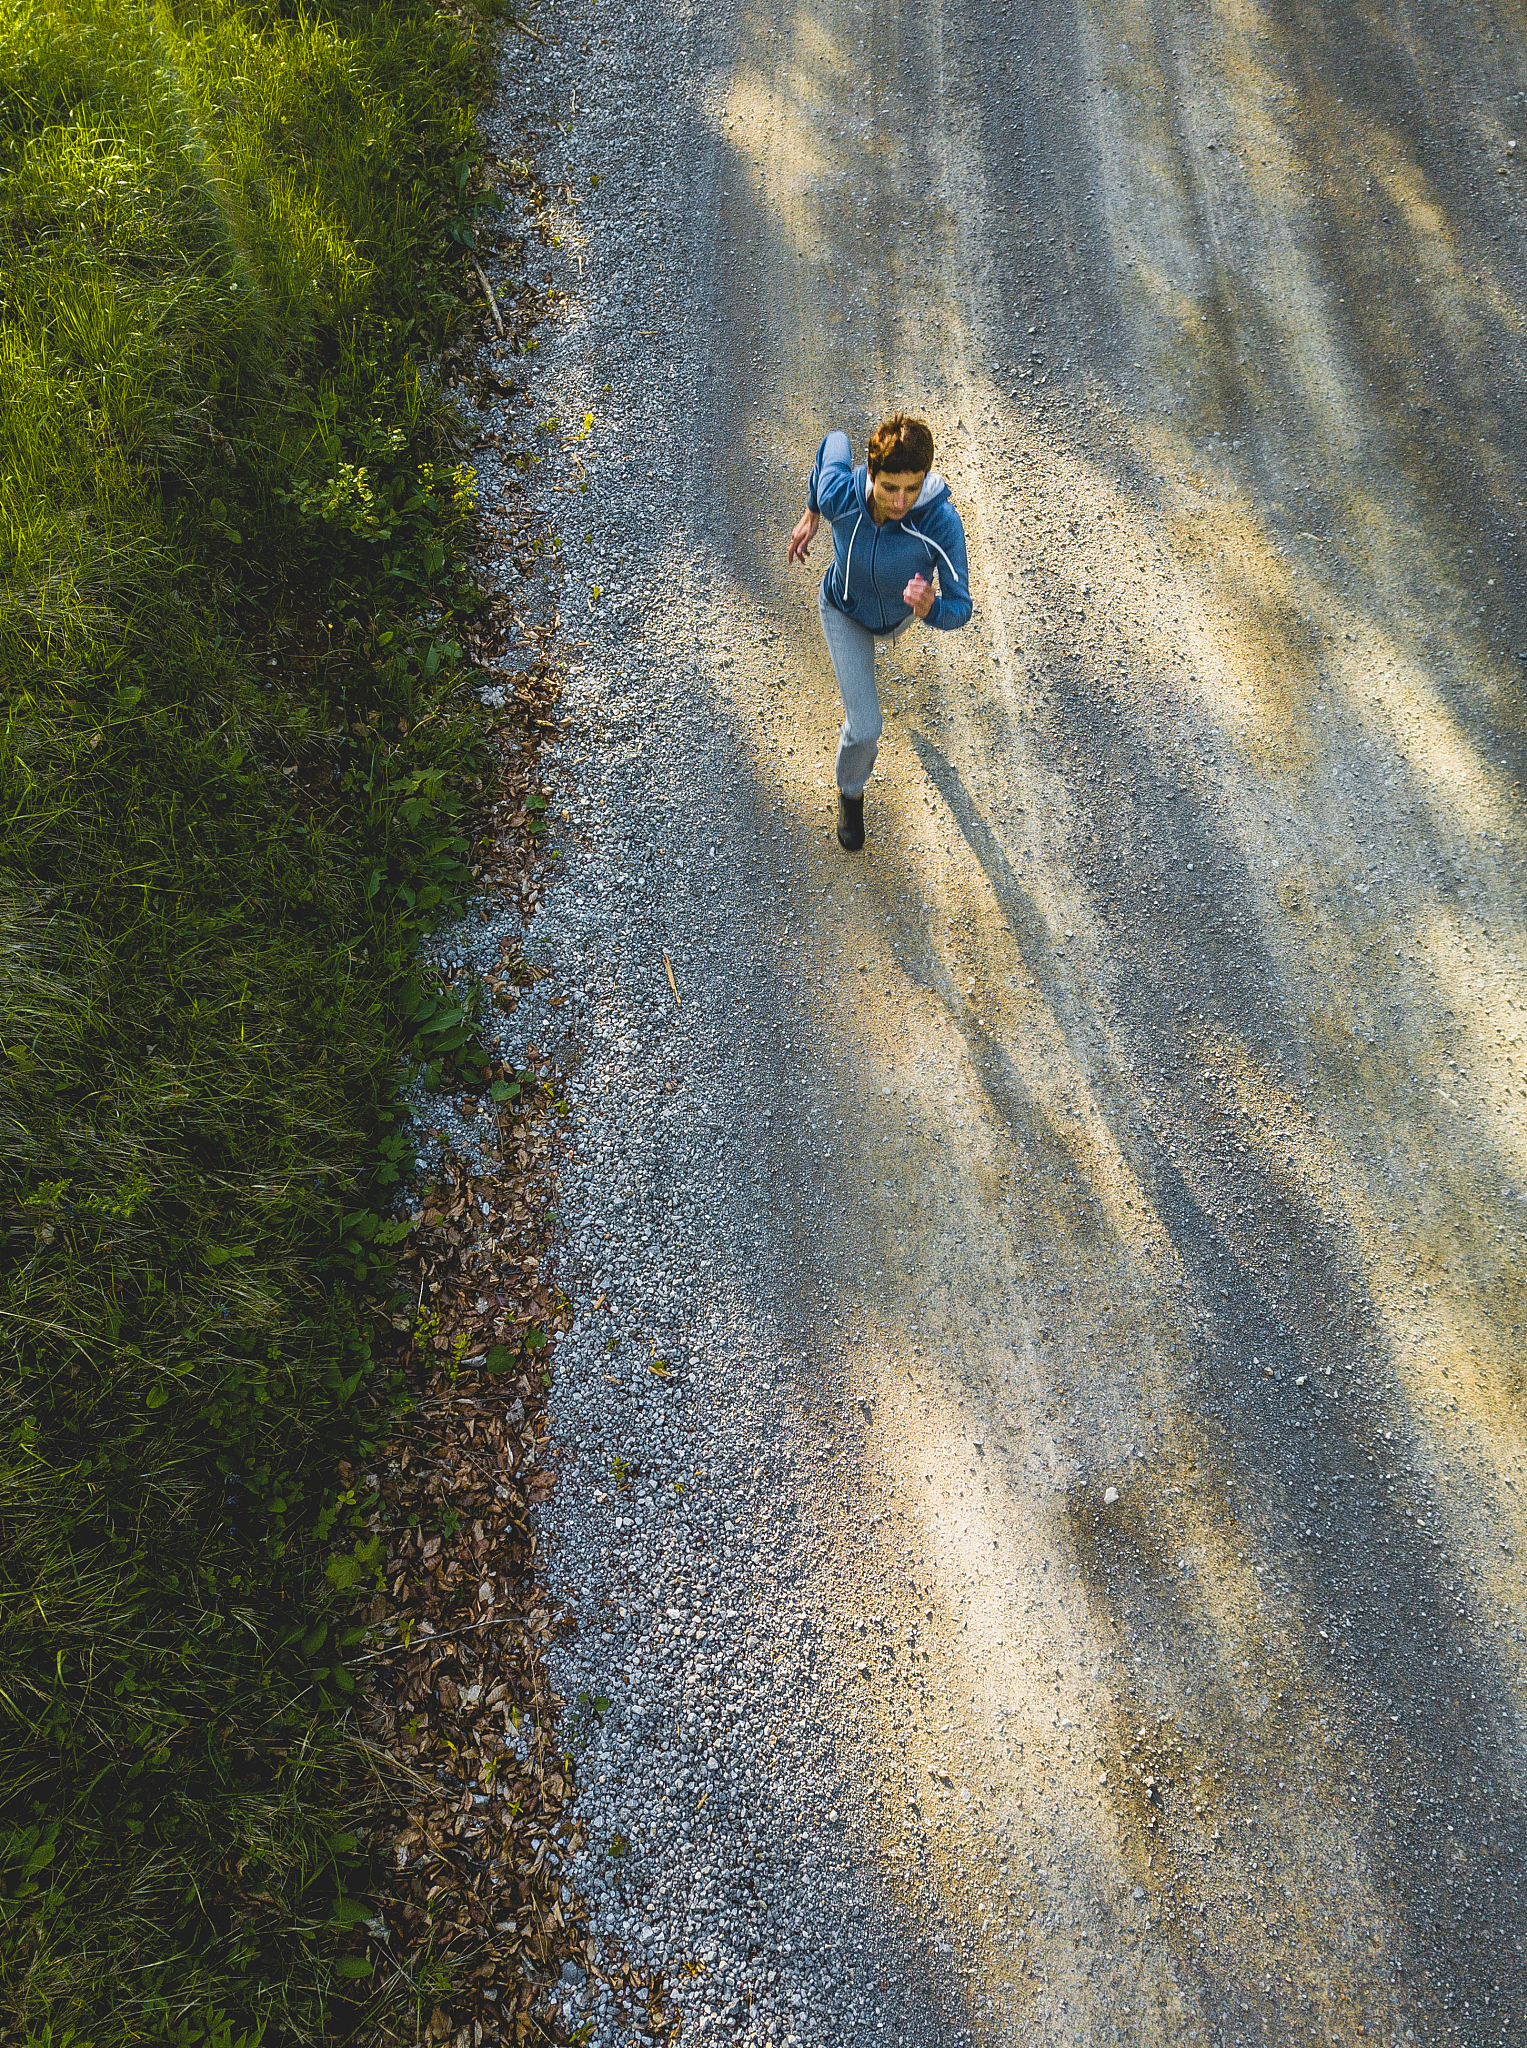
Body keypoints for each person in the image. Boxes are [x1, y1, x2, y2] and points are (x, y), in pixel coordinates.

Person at [786, 414, 973, 850]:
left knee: (871, 706)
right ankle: (851, 793)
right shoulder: (841, 496)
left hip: (899, 616)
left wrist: (932, 608)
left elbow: (961, 607)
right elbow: (832, 441)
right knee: (866, 727)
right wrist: (812, 510)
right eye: (890, 487)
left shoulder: (940, 523)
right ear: (871, 473)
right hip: (843, 609)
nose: (899, 502)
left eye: (912, 488)